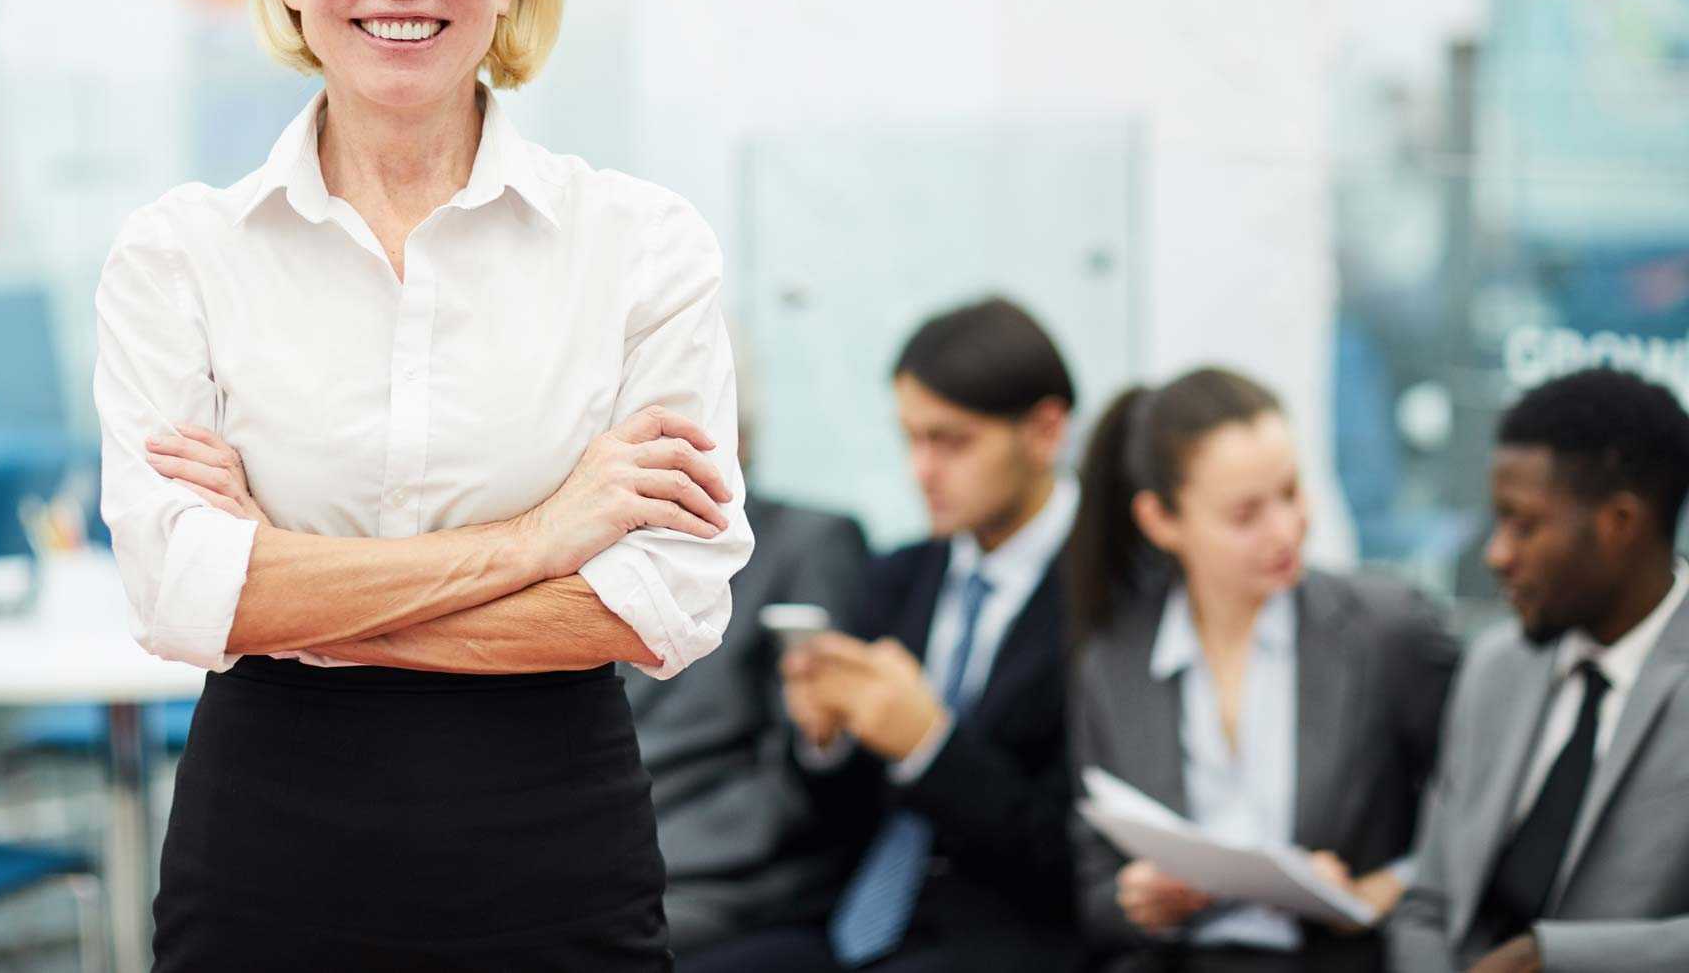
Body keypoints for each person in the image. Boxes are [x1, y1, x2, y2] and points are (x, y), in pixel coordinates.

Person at [94, 0, 753, 970]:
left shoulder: (639, 246)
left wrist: (292, 594)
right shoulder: (179, 253)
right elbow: (175, 591)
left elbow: (664, 597)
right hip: (265, 852)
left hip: (554, 849)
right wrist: (540, 540)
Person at [692, 297, 1086, 973]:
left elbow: (1076, 852)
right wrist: (827, 738)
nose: (922, 469)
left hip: (1010, 932)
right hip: (854, 918)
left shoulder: (1104, 593)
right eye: (911, 438)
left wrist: (928, 746)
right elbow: (839, 818)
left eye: (952, 440)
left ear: (1045, 431)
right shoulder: (901, 575)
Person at [1064, 366, 1458, 973]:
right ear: (1161, 522)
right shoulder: (1115, 662)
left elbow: (1478, 819)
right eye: (1246, 515)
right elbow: (1094, 889)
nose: (1287, 530)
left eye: (1292, 492)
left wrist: (1383, 889)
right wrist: (1137, 900)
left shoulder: (1387, 631)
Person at [1388, 368, 1689, 973]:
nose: (1496, 554)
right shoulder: (1496, 665)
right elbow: (1427, 902)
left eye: (1523, 524)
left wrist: (1555, 960)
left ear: (1620, 525)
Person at [624, 388, 870, 954]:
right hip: (613, 862)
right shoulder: (608, 558)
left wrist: (637, 855)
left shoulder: (809, 544)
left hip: (721, 876)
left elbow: (801, 770)